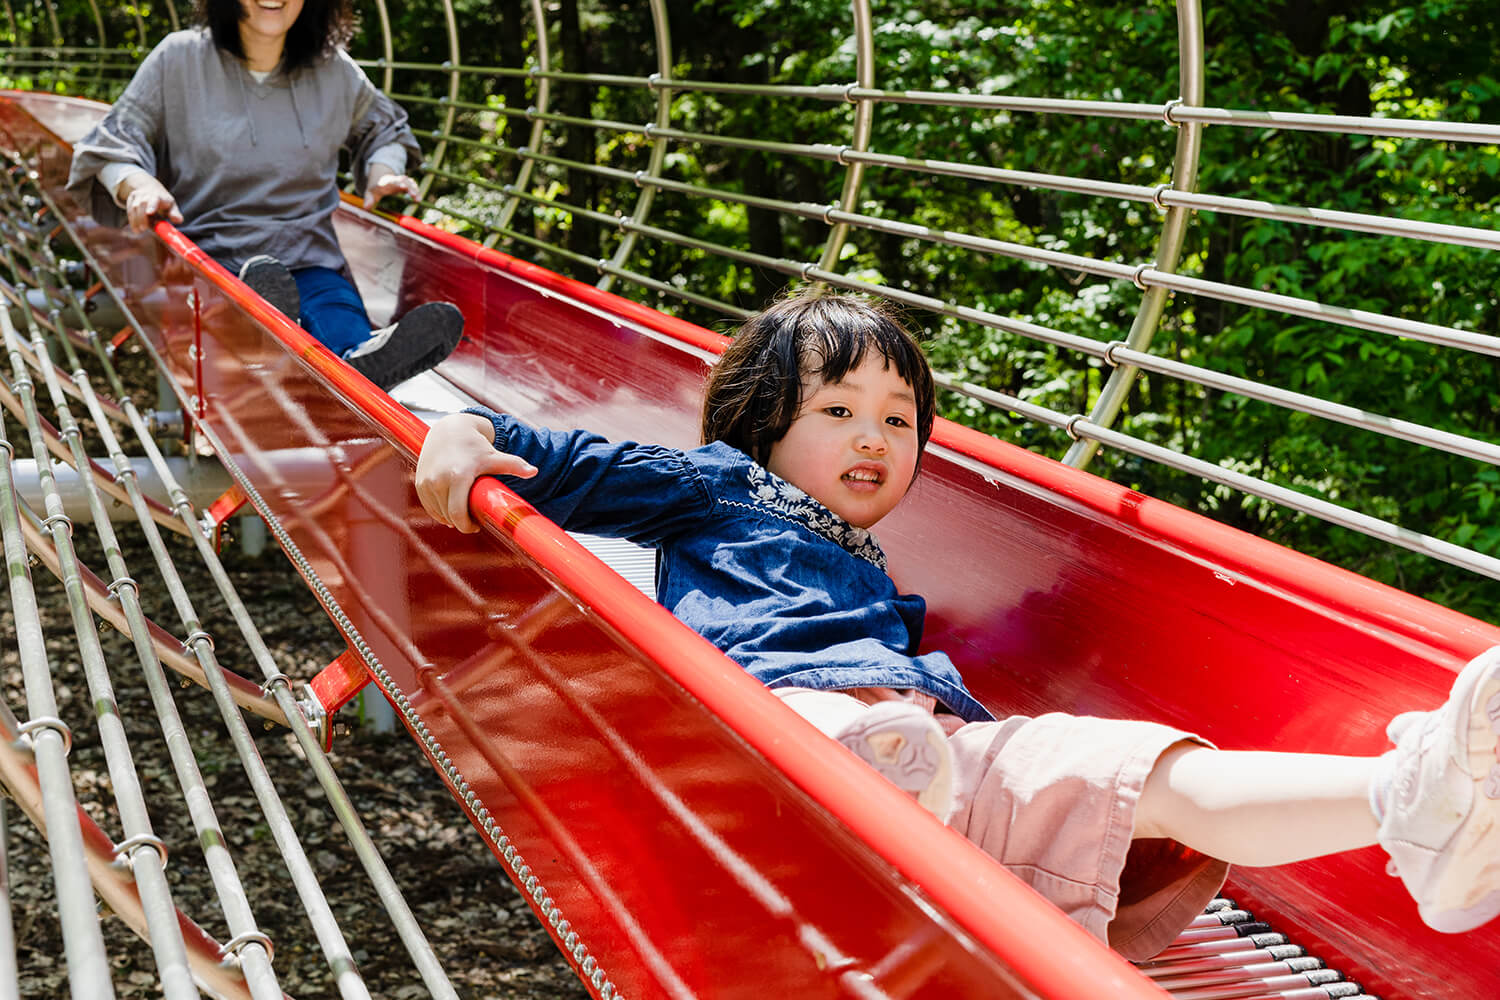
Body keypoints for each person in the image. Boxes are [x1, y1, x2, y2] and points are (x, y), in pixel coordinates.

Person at [413, 288, 1500, 959]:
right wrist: (466, 430)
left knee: (1128, 767)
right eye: (836, 411)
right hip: (780, 758)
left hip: (936, 763)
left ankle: (1411, 803)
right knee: (856, 729)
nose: (874, 436)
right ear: (760, 425)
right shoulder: (715, 486)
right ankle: (881, 763)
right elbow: (572, 465)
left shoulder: (875, 572)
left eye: (898, 420)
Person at [66, 0, 462, 392]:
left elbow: (384, 131)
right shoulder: (179, 58)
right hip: (212, 265)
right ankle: (269, 335)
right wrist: (138, 185)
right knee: (258, 288)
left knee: (333, 306)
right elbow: (112, 144)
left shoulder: (333, 70)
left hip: (309, 256)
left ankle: (358, 362)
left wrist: (383, 174)